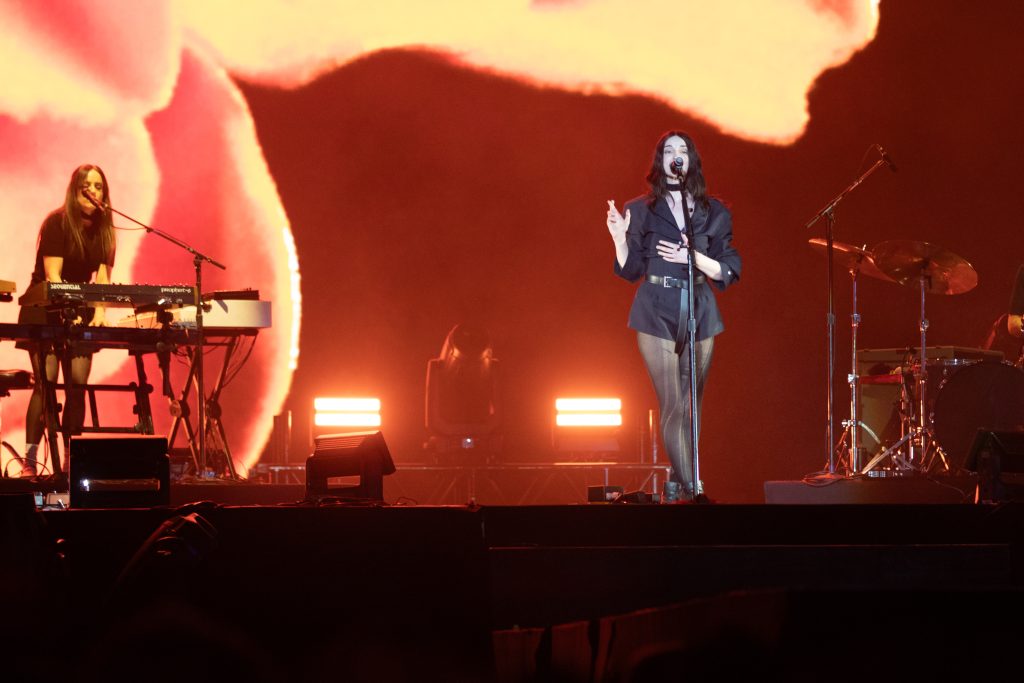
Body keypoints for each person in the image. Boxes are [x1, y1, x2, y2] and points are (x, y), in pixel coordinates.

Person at [606, 132, 741, 501]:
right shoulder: (641, 209)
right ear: (660, 159)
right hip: (655, 308)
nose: (675, 155)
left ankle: (680, 485)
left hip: (700, 307)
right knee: (673, 403)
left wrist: (691, 258)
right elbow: (631, 269)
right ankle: (696, 489)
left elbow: (729, 267)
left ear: (691, 160)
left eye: (682, 150)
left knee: (692, 407)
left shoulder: (715, 211)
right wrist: (619, 238)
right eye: (669, 150)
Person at [17, 164, 116, 477]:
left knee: (77, 385)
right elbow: (53, 276)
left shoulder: (106, 231)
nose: (93, 191)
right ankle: (30, 461)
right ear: (75, 190)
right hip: (45, 306)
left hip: (80, 306)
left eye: (98, 186)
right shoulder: (57, 223)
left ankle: (72, 461)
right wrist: (67, 310)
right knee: (45, 385)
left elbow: (103, 280)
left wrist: (100, 313)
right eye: (87, 185)